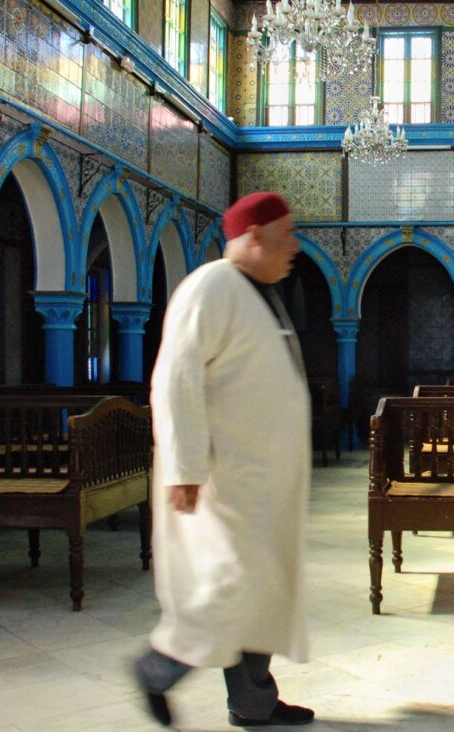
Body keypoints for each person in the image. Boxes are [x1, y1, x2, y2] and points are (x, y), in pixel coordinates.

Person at [134, 191, 314, 728]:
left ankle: (254, 702)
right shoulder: (210, 286)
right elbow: (176, 378)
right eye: (286, 235)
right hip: (225, 479)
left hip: (261, 482)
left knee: (260, 592)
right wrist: (184, 468)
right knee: (229, 590)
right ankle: (157, 669)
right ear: (254, 236)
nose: (294, 247)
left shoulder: (255, 291)